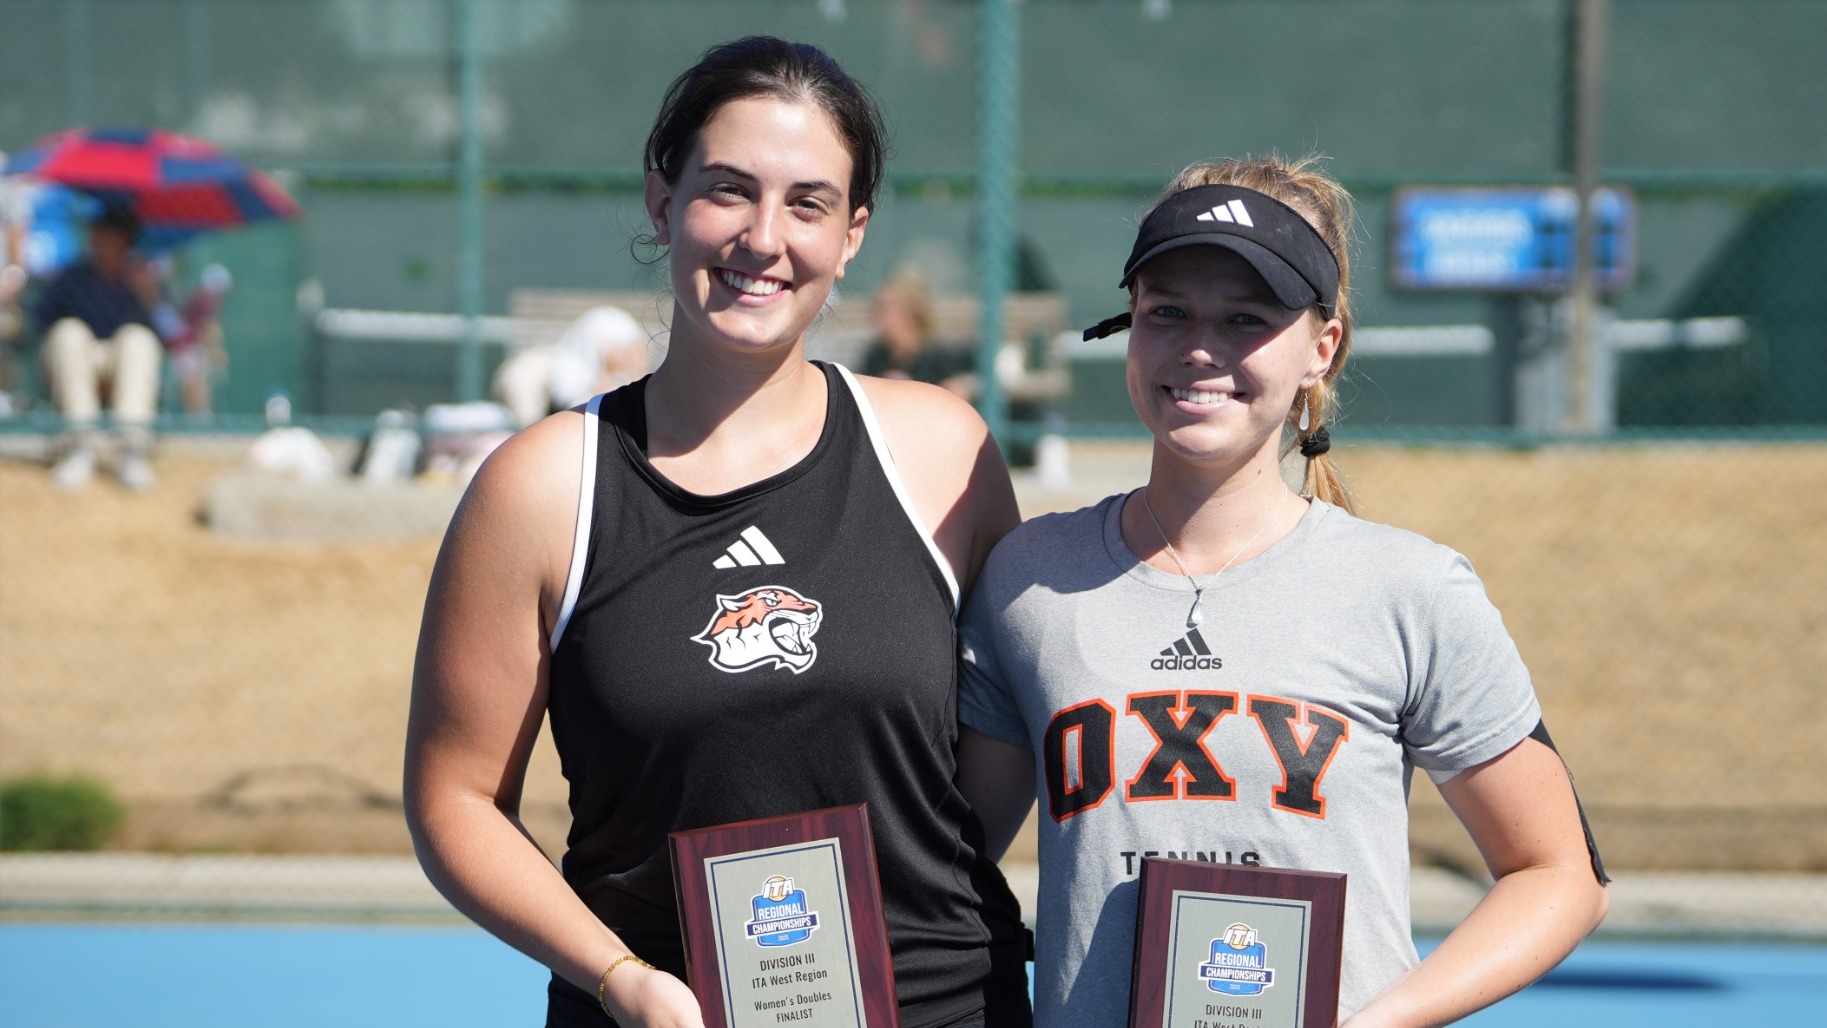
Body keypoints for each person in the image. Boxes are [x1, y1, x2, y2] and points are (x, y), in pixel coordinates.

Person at [405, 36, 1031, 1028]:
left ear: (854, 230)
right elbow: (455, 800)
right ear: (663, 199)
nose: (763, 237)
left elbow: (1007, 734)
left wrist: (911, 908)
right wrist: (622, 978)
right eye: (729, 190)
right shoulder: (541, 485)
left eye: (808, 203)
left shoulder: (941, 452)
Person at [955, 156, 1610, 1027]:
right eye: (1168, 312)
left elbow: (1558, 874)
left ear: (1321, 346)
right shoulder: (1030, 578)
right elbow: (951, 866)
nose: (1198, 348)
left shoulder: (1409, 589)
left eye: (1245, 319)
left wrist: (1376, 1021)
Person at [31, 205, 164, 490]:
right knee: (69, 333)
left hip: (122, 360)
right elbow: (40, 323)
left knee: (137, 339)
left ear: (125, 241)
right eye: (98, 234)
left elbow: (171, 336)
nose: (101, 241)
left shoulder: (143, 280)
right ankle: (81, 445)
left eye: (110, 235)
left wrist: (150, 297)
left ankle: (132, 447)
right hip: (78, 358)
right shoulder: (72, 276)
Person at [858, 275, 975, 398]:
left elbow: (983, 371)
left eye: (884, 308)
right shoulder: (877, 357)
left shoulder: (941, 355)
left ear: (910, 314)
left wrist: (964, 385)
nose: (875, 315)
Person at [165, 262, 233, 417]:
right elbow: (209, 330)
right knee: (194, 377)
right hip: (185, 349)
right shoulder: (205, 300)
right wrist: (215, 350)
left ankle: (200, 418)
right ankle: (200, 419)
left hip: (188, 348)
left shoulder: (201, 298)